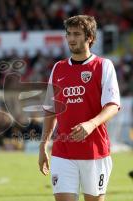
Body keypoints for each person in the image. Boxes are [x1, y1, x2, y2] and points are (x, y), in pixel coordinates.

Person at [38, 15, 120, 201]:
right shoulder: (58, 68)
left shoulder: (103, 66)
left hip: (95, 151)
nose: (71, 38)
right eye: (69, 34)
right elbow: (50, 110)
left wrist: (91, 124)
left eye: (77, 34)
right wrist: (43, 145)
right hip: (63, 151)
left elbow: (113, 105)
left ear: (89, 37)